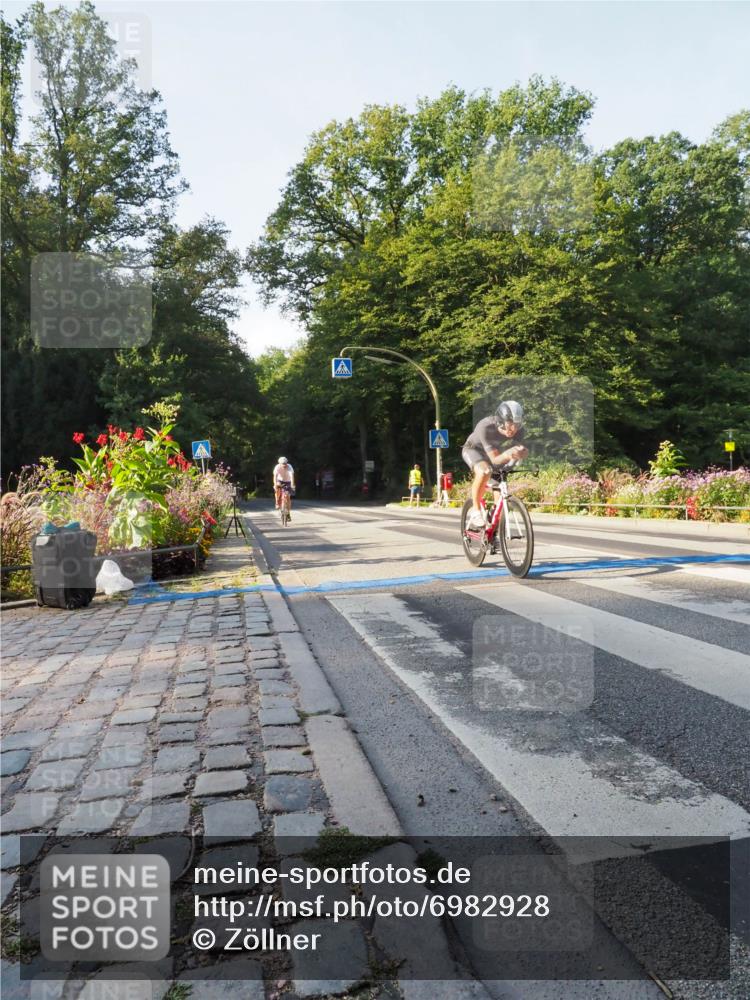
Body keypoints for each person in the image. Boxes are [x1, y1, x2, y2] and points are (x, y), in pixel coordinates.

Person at [461, 401, 528, 528]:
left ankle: (493, 535)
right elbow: (495, 459)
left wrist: (522, 453)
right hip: (474, 450)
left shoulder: (520, 430)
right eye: (510, 424)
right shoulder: (485, 426)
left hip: (497, 455)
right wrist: (508, 454)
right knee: (484, 471)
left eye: (517, 424)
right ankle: (476, 511)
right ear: (500, 421)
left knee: (500, 504)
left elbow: (519, 449)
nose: (513, 429)